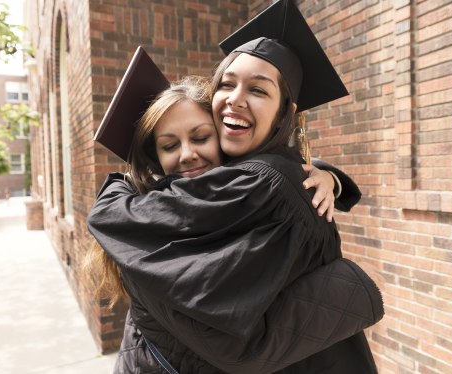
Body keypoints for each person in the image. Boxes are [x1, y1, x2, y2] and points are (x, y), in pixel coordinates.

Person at [88, 1, 383, 372]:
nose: (236, 99)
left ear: (285, 114)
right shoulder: (256, 174)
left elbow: (114, 219)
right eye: (226, 84)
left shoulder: (257, 184)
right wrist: (328, 174)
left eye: (259, 90)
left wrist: (119, 186)